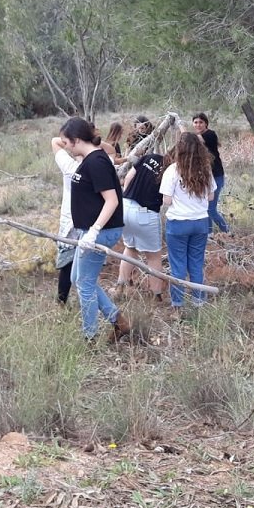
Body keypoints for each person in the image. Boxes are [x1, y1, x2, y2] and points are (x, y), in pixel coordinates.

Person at [59, 117, 129, 342]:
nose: (66, 147)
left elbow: (112, 200)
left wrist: (94, 231)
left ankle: (90, 337)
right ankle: (118, 320)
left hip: (101, 232)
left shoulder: (97, 162)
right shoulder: (87, 159)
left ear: (77, 140)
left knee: (85, 284)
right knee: (77, 277)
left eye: (67, 143)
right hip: (87, 231)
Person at [161, 132, 216, 309]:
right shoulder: (206, 170)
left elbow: (167, 201)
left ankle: (178, 303)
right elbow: (211, 196)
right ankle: (198, 300)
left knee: (177, 264)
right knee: (196, 262)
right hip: (200, 222)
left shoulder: (173, 171)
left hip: (178, 223)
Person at [115, 143, 165, 302]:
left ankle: (119, 286)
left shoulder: (148, 157)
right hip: (145, 212)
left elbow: (128, 177)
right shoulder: (170, 169)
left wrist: (130, 196)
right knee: (154, 256)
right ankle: (156, 295)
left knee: (130, 248)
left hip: (126, 207)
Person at [50, 136, 82, 305]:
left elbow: (55, 140)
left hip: (70, 220)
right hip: (85, 222)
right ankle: (64, 299)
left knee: (68, 263)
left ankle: (62, 300)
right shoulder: (96, 164)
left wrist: (72, 147)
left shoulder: (71, 167)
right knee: (75, 263)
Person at [191, 112, 230, 234]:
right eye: (196, 122)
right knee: (205, 207)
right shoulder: (196, 136)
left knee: (210, 209)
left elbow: (200, 141)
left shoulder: (210, 134)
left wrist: (182, 128)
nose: (198, 125)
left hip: (216, 175)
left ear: (206, 123)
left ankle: (227, 232)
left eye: (201, 122)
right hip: (205, 176)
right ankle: (209, 234)